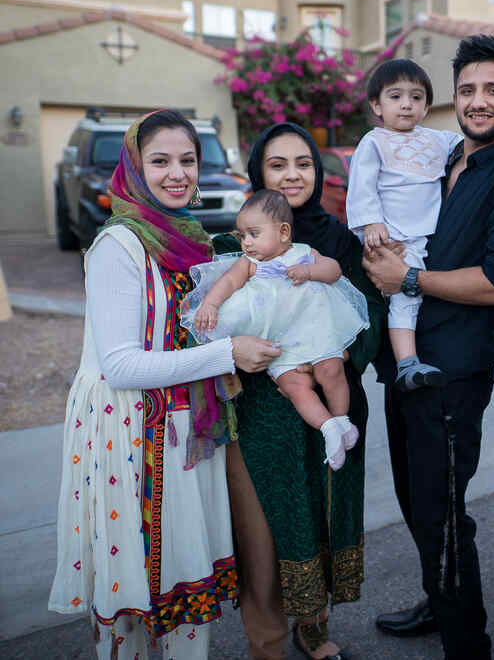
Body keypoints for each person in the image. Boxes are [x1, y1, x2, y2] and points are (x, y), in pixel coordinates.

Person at [48, 110, 285, 660]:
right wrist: (227, 353)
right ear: (134, 167)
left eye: (187, 160)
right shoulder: (120, 246)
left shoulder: (193, 240)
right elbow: (122, 366)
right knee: (131, 595)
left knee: (186, 583)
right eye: (160, 161)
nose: (176, 173)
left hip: (187, 430)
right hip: (129, 432)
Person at [363, 35, 494, 660]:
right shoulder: (443, 158)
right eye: (467, 89)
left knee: (442, 510)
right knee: (417, 500)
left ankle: (468, 643)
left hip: (452, 371)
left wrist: (407, 279)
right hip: (404, 359)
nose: (477, 100)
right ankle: (439, 602)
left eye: (493, 89)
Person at [215, 123, 386, 660]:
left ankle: (314, 626)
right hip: (262, 407)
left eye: (304, 163)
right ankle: (266, 642)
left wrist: (330, 362)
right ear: (257, 174)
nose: (293, 175)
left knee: (322, 515)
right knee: (263, 528)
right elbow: (219, 318)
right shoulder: (236, 239)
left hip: (330, 394)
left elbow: (371, 315)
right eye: (277, 165)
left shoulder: (339, 240)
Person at [182, 189, 367, 470]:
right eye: (242, 235)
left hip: (315, 333)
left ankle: (341, 419)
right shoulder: (250, 264)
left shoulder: (304, 253)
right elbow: (227, 284)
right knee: (294, 386)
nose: (246, 242)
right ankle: (327, 426)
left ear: (283, 232)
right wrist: (209, 304)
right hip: (280, 343)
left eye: (253, 234)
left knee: (331, 371)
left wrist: (309, 272)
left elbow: (334, 271)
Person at [346, 58, 462, 389]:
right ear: (376, 105)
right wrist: (370, 222)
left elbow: (467, 146)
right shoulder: (374, 141)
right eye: (395, 96)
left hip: (427, 235)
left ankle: (409, 359)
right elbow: (362, 185)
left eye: (416, 97)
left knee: (418, 296)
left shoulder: (437, 139)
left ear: (426, 106)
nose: (406, 105)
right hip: (392, 235)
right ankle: (406, 363)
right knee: (404, 298)